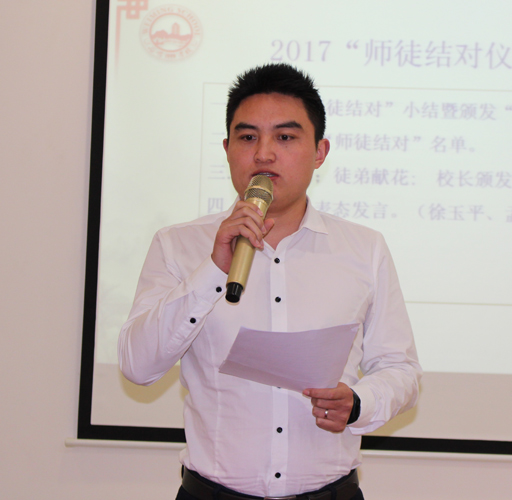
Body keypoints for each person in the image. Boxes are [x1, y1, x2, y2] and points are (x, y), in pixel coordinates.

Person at [119, 63, 421, 500]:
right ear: (227, 149)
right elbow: (137, 366)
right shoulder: (177, 245)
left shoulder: (364, 248)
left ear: (319, 152)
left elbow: (400, 369)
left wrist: (359, 403)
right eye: (247, 138)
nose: (263, 154)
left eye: (285, 137)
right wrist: (213, 270)